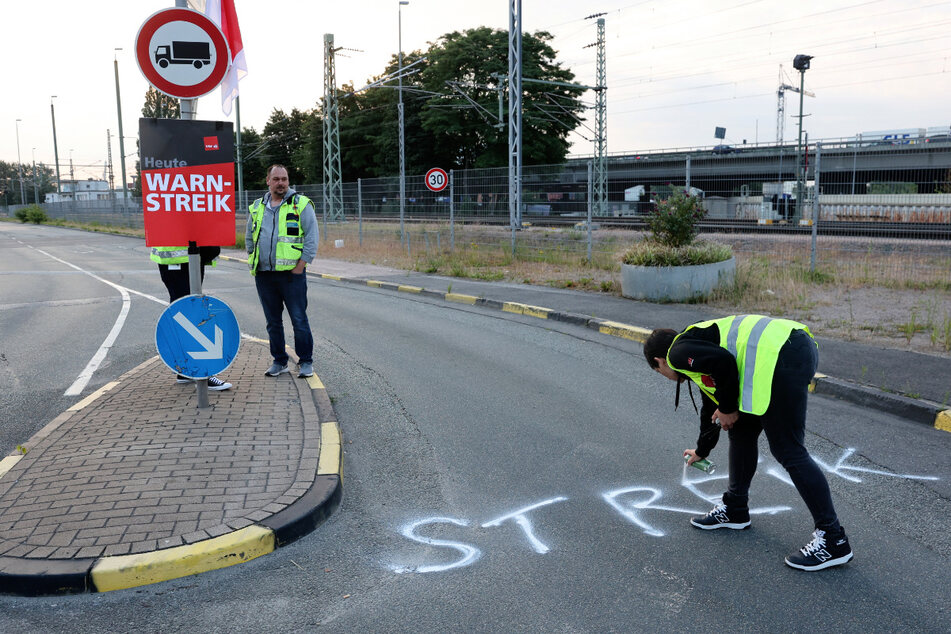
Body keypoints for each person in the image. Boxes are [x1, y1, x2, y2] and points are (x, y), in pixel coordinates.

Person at [643, 315, 853, 571]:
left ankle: (833, 540)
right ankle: (735, 508)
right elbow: (713, 404)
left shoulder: (679, 354)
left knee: (788, 449)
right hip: (791, 346)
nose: (666, 376)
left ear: (659, 362)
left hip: (781, 355)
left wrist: (729, 407)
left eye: (659, 372)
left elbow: (724, 364)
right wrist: (702, 450)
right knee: (741, 432)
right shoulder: (694, 348)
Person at [246, 164, 318, 378]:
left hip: (291, 276)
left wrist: (300, 267)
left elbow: (312, 238)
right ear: (268, 181)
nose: (281, 183)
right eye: (276, 179)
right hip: (264, 274)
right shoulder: (257, 206)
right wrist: (254, 260)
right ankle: (279, 361)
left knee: (299, 319)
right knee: (273, 322)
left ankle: (305, 361)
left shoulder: (301, 205)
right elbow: (250, 237)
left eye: (284, 179)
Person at [150, 245, 232, 391]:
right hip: (180, 258)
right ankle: (201, 374)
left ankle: (185, 371)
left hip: (187, 257)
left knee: (184, 311)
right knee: (189, 315)